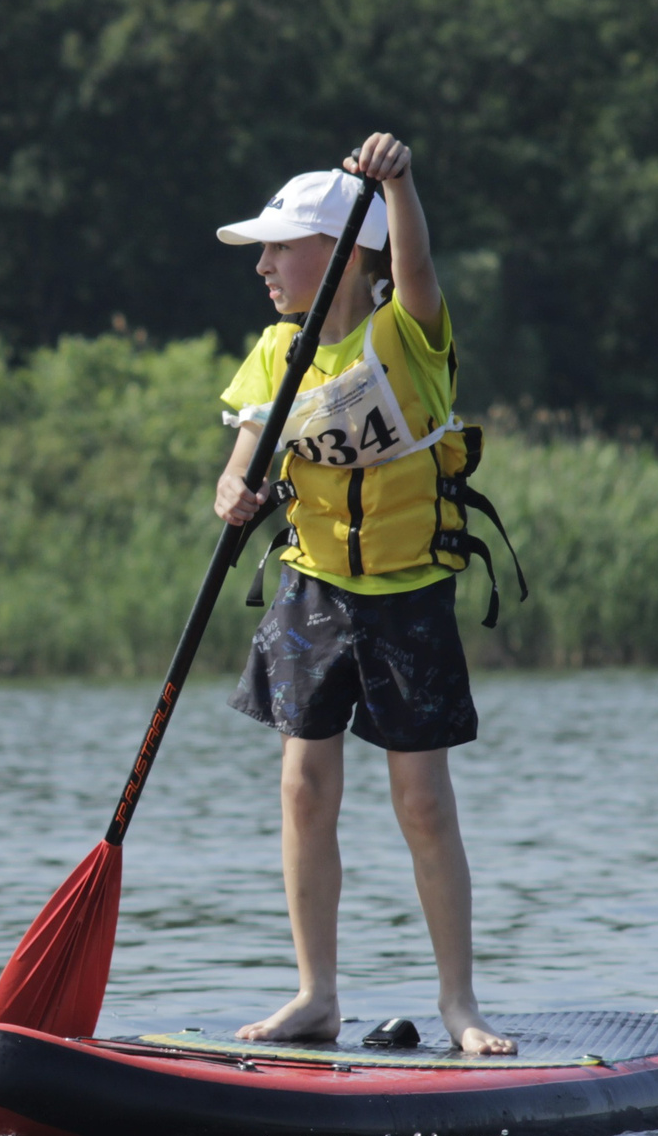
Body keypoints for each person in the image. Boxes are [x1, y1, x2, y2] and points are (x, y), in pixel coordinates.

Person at [211, 131, 514, 1056]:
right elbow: (244, 457)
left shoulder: (406, 332)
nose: (263, 265)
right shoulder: (274, 351)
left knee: (421, 801)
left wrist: (402, 183)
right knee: (304, 788)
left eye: (279, 247)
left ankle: (459, 1004)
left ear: (341, 252)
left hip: (407, 594)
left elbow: (413, 260)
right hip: (313, 593)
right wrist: (233, 489)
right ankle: (315, 995)